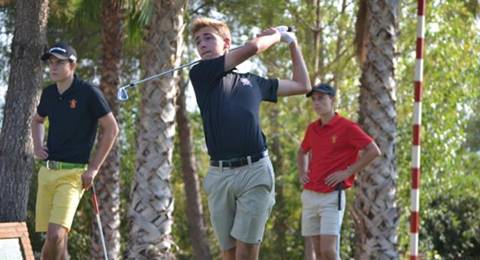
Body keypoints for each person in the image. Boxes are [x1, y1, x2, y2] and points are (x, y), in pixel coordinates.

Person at [189, 17, 311, 260]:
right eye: (197, 41)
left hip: (255, 171)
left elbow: (302, 84)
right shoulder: (200, 73)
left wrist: (292, 44)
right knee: (230, 254)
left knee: (245, 254)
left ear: (226, 43)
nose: (202, 44)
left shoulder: (254, 82)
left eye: (208, 37)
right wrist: (277, 34)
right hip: (220, 175)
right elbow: (254, 47)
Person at [31, 42, 119, 259]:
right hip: (47, 172)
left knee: (55, 236)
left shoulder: (88, 92)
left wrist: (94, 169)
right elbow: (37, 120)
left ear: (72, 65)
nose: (53, 67)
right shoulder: (49, 93)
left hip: (73, 175)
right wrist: (37, 145)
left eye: (59, 62)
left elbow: (111, 129)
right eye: (51, 63)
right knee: (59, 240)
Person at [296, 83, 381, 260]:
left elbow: (373, 150)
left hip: (332, 196)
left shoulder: (347, 127)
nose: (316, 103)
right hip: (310, 194)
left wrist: (347, 172)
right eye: (314, 100)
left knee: (328, 250)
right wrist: (302, 171)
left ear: (332, 100)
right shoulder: (312, 128)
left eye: (321, 98)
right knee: (318, 252)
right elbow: (302, 151)